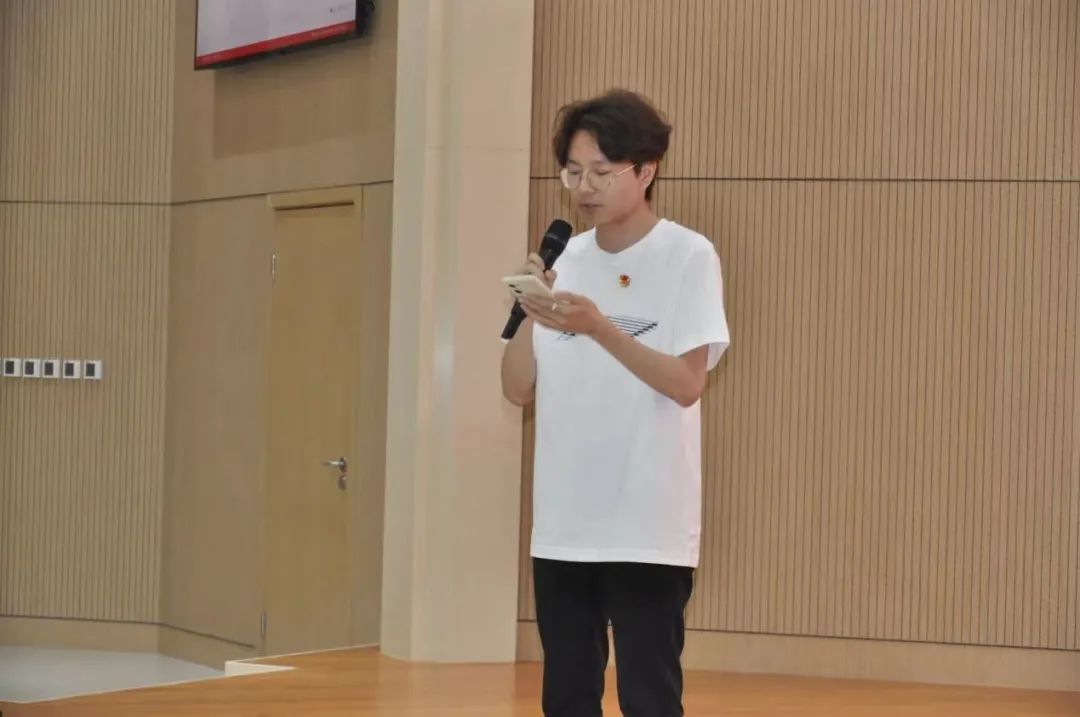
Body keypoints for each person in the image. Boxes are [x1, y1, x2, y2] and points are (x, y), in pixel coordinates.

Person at [501, 88, 731, 717]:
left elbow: (686, 384)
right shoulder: (564, 260)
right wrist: (530, 311)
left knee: (648, 698)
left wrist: (599, 327)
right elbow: (516, 388)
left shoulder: (688, 255)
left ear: (646, 170)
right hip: (563, 527)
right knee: (566, 698)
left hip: (646, 526)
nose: (584, 188)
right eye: (573, 172)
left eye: (601, 172)